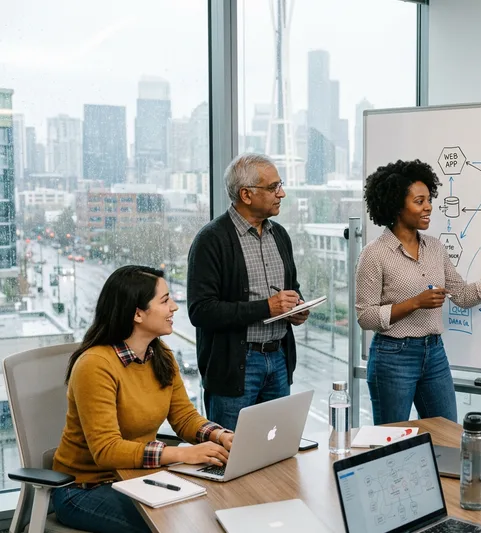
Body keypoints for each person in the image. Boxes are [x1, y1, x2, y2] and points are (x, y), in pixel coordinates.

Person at [51, 266, 234, 533]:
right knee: (180, 525)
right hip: (85, 488)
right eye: (165, 300)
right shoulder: (95, 364)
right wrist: (182, 453)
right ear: (137, 314)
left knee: (213, 509)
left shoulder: (161, 355)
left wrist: (220, 436)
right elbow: (106, 450)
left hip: (138, 478)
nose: (174, 307)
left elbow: (184, 417)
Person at [356, 159, 481, 425]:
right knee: (392, 440)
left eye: (429, 200)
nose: (428, 207)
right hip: (392, 357)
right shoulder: (374, 254)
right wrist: (415, 303)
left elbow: (463, 296)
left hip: (434, 354)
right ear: (396, 206)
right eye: (419, 201)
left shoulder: (435, 248)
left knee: (448, 435)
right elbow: (365, 317)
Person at [187, 153, 308, 431]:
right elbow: (201, 311)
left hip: (278, 359)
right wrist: (267, 307)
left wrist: (297, 308)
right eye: (273, 187)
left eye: (280, 185)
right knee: (230, 452)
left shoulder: (280, 235)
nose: (282, 193)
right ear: (246, 194)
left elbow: (291, 288)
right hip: (236, 367)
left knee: (277, 449)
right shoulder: (211, 240)